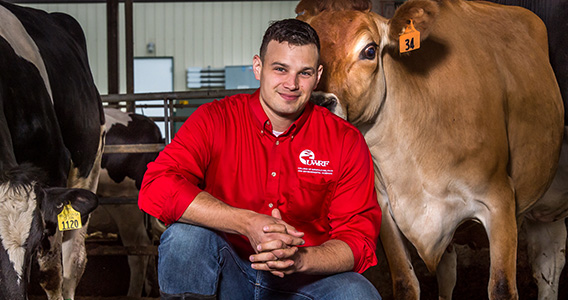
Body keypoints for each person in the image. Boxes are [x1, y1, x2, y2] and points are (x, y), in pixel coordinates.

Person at [138, 18, 382, 300]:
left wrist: (300, 259)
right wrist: (247, 223)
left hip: (303, 283)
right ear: (258, 67)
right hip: (229, 271)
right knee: (184, 239)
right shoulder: (214, 119)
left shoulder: (345, 141)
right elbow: (157, 185)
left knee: (358, 293)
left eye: (304, 73)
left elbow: (358, 238)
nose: (291, 84)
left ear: (317, 76)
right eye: (280, 69)